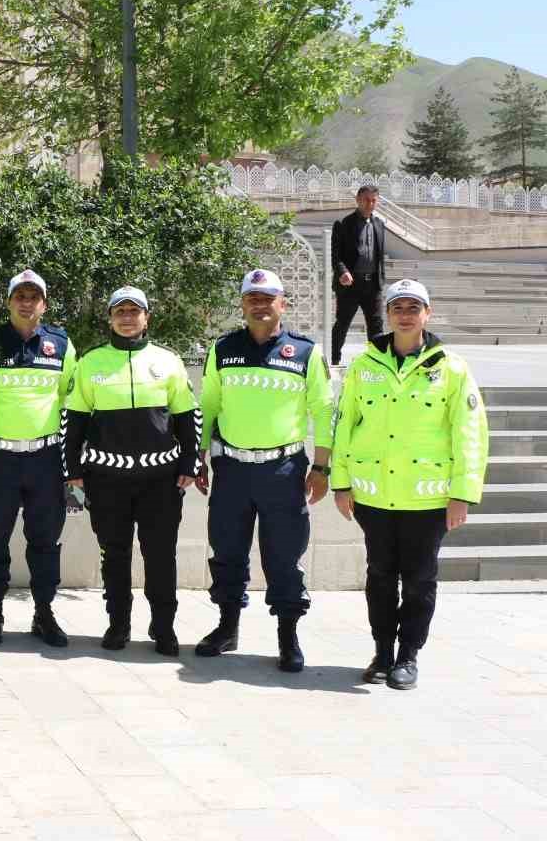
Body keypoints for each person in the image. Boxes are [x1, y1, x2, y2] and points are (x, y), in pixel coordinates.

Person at [331, 278, 487, 689]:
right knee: (379, 576)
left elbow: (469, 432)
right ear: (388, 314)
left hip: (427, 498)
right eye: (398, 307)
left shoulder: (450, 368)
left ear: (427, 314)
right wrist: (341, 483)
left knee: (419, 581)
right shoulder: (364, 365)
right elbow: (344, 423)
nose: (405, 314)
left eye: (413, 308)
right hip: (374, 494)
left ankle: (408, 656)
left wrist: (462, 494)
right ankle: (382, 652)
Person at [194, 270, 333, 672]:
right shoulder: (223, 349)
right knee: (226, 551)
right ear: (243, 304)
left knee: (284, 557)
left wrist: (322, 466)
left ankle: (288, 639)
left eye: (267, 298)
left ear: (282, 304)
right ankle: (227, 627)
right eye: (252, 297)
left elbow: (324, 412)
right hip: (232, 470)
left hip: (284, 471)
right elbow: (209, 405)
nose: (259, 304)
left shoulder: (306, 353)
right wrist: (199, 457)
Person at [65, 287, 199, 656]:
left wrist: (190, 462)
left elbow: (188, 416)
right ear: (110, 317)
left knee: (160, 554)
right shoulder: (90, 363)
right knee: (115, 553)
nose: (127, 317)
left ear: (146, 317)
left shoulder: (168, 361)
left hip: (160, 479)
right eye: (119, 311)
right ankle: (118, 624)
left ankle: (164, 627)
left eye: (134, 311)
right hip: (106, 479)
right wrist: (72, 472)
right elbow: (73, 422)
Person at [0, 268, 77, 647]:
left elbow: (72, 397)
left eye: (34, 296)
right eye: (20, 295)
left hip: (45, 459)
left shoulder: (61, 345)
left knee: (46, 541)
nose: (26, 301)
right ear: (9, 301)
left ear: (43, 304)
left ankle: (44, 614)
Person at [330, 184, 387, 365]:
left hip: (373, 285)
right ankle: (335, 359)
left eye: (373, 200)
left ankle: (377, 360)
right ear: (358, 200)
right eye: (366, 200)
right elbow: (336, 255)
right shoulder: (344, 224)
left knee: (376, 326)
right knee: (342, 324)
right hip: (350, 286)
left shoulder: (379, 224)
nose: (370, 204)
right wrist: (343, 272)